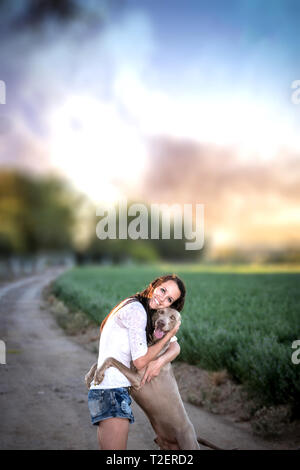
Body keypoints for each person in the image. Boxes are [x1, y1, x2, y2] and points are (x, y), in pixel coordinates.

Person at [87, 274, 186, 450]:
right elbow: (140, 362)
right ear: (154, 285)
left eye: (169, 298)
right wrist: (168, 336)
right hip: (112, 392)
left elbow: (175, 347)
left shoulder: (140, 308)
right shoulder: (137, 311)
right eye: (162, 290)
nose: (162, 298)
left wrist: (159, 361)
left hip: (109, 391)